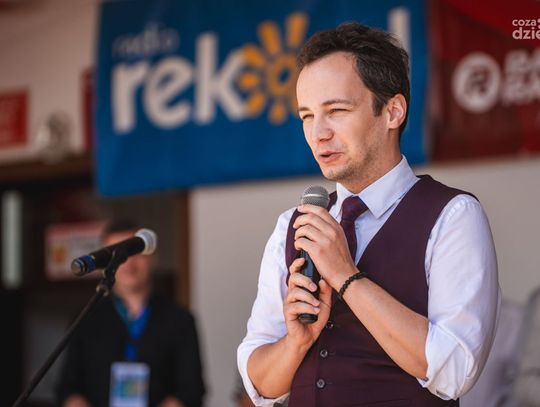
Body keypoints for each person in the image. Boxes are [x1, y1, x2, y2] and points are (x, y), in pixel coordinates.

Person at [237, 22, 500, 406]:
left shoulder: (453, 215)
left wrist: (346, 276)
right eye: (307, 116)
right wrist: (295, 344)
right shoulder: (291, 225)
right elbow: (260, 384)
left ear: (393, 111)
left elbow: (455, 371)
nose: (318, 133)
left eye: (336, 111)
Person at [56, 220, 205, 407]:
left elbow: (191, 392)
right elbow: (68, 388)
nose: (128, 263)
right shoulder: (85, 319)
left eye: (135, 252)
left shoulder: (180, 320)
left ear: (153, 257)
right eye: (117, 256)